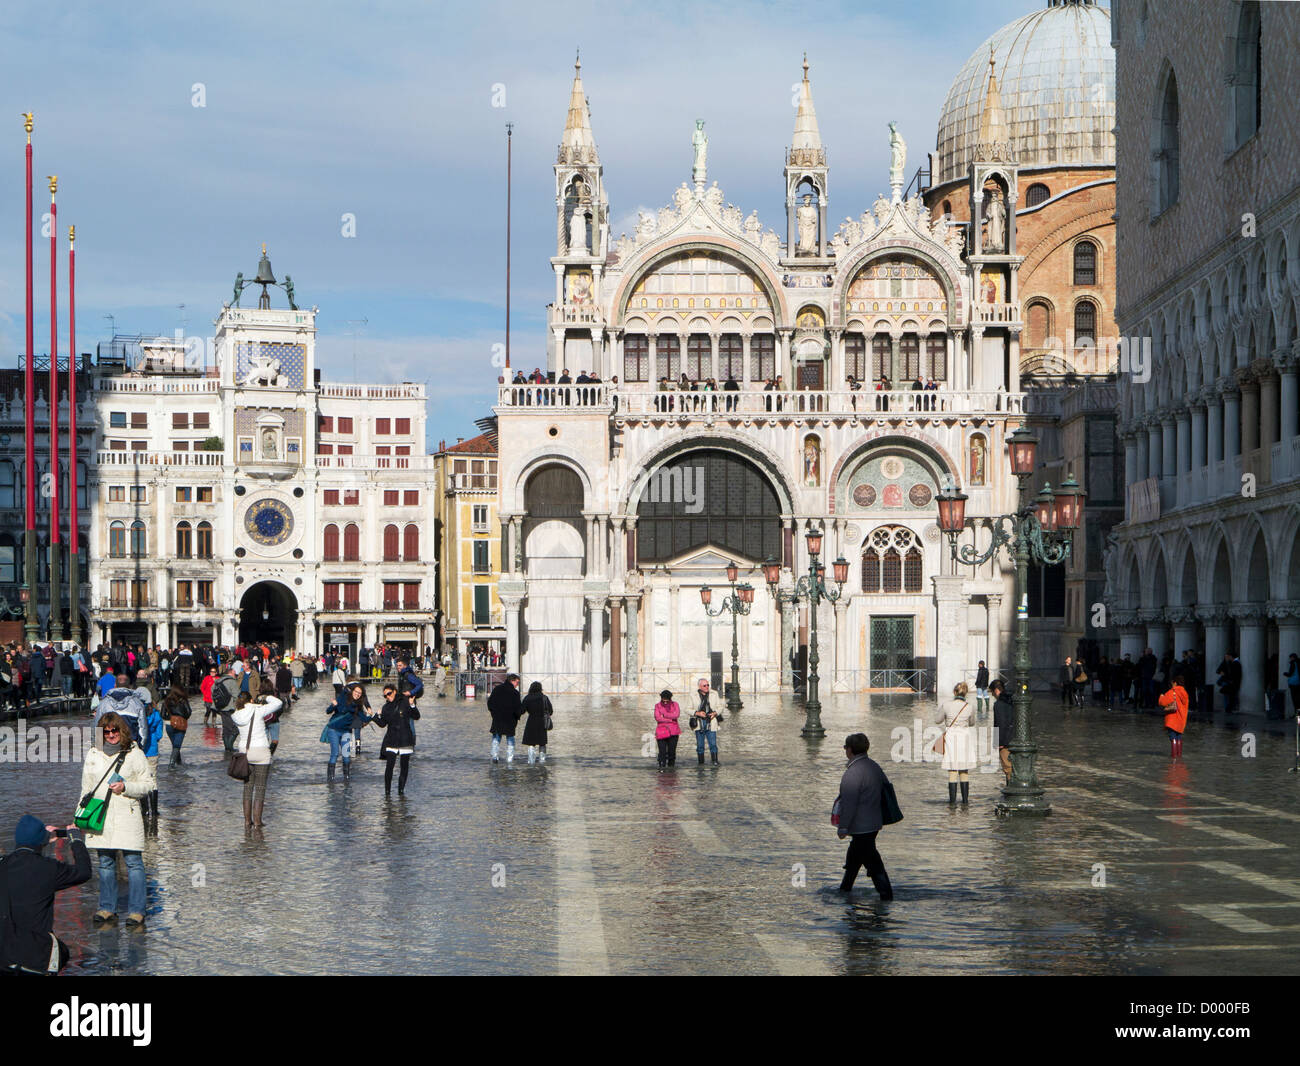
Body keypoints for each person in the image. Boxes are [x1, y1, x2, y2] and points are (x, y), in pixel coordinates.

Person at [81, 711, 152, 928]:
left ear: (122, 730)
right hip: (100, 816)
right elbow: (86, 788)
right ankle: (106, 908)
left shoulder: (134, 753)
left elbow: (149, 785)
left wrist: (126, 787)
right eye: (106, 731)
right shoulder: (93, 754)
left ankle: (137, 911)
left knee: (134, 864)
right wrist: (81, 815)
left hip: (126, 816)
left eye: (114, 730)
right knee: (105, 863)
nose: (111, 735)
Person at [0, 815, 92, 975]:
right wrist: (76, 841)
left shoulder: (4, 864)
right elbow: (84, 872)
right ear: (41, 841)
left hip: (4, 954)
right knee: (62, 951)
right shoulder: (48, 869)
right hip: (36, 955)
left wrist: (41, 842)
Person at [835, 733, 893, 899]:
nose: (845, 751)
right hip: (874, 823)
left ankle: (886, 895)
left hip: (861, 826)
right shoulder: (874, 767)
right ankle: (845, 890)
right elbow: (886, 789)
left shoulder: (852, 773)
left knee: (873, 862)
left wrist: (843, 827)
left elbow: (849, 804)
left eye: (846, 748)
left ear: (850, 750)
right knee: (854, 858)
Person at [232, 691, 280, 827]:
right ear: (251, 701)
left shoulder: (236, 715)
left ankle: (247, 822)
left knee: (247, 788)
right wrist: (265, 698)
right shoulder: (258, 710)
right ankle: (258, 821)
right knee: (260, 788)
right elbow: (278, 703)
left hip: (245, 752)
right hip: (261, 751)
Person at [934, 681, 976, 806]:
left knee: (952, 770)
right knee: (964, 770)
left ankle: (952, 802)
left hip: (951, 737)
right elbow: (972, 723)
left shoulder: (946, 705)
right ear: (966, 693)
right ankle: (965, 802)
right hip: (965, 737)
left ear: (954, 692)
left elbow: (937, 720)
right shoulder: (969, 706)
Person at [375, 683, 419, 796]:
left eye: (389, 694)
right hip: (392, 739)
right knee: (389, 766)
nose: (387, 697)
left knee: (404, 767)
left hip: (405, 739)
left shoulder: (405, 701)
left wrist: (412, 705)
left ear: (394, 691)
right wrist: (375, 716)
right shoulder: (386, 707)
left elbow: (416, 716)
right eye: (385, 696)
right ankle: (387, 793)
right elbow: (382, 724)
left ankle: (401, 792)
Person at [323, 682, 366, 782]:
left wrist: (374, 715)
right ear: (352, 691)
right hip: (334, 729)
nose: (357, 694)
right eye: (356, 692)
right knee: (335, 753)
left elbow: (364, 719)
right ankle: (330, 779)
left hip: (346, 731)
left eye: (359, 693)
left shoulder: (358, 706)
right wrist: (333, 705)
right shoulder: (343, 697)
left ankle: (347, 779)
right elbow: (328, 711)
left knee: (346, 756)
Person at [487, 673, 522, 763]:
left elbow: (490, 703)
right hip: (510, 719)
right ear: (512, 681)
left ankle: (494, 757)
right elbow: (518, 708)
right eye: (517, 683)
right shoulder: (515, 693)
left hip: (497, 718)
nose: (517, 685)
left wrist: (493, 714)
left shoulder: (497, 689)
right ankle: (509, 759)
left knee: (496, 738)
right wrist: (517, 717)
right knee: (510, 739)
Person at [520, 681, 552, 764]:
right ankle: (542, 760)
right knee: (542, 742)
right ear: (540, 688)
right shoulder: (544, 697)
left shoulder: (527, 698)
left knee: (531, 743)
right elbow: (550, 711)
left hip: (531, 721)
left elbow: (522, 710)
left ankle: (531, 761)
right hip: (542, 722)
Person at [1159, 672, 1189, 759]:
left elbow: (1163, 702)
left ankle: (1173, 756)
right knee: (1179, 737)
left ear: (1175, 682)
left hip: (1172, 719)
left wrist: (1161, 696)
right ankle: (1179, 756)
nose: (1171, 684)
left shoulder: (1172, 692)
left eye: (1172, 682)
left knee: (1172, 737)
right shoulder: (1185, 693)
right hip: (1181, 719)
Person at [691, 677, 721, 766]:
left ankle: (715, 761)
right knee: (700, 746)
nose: (707, 687)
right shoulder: (693, 695)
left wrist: (715, 713)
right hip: (699, 723)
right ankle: (701, 763)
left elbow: (720, 706)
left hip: (711, 721)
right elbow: (687, 709)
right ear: (700, 687)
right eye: (705, 685)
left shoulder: (714, 694)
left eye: (708, 685)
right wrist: (697, 713)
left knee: (713, 744)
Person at [990, 679, 1014, 786]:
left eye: (991, 692)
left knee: (1007, 767)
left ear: (996, 690)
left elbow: (999, 723)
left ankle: (1010, 789)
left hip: (1005, 741)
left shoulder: (998, 704)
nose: (992, 695)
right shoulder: (1013, 699)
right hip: (1016, 738)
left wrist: (998, 743)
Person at [161, 683, 191, 767]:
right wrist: (182, 717)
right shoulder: (183, 700)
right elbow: (189, 712)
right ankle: (171, 764)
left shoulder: (166, 700)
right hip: (181, 724)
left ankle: (179, 763)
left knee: (175, 745)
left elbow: (162, 715)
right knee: (177, 746)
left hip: (169, 725)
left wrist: (170, 718)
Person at [653, 689, 681, 771]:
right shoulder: (657, 706)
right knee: (662, 753)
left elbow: (676, 715)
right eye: (663, 701)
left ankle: (671, 769)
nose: (665, 703)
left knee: (672, 753)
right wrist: (670, 720)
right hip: (661, 732)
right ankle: (661, 769)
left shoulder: (675, 704)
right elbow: (657, 718)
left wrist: (664, 715)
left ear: (670, 699)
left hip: (674, 732)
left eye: (667, 701)